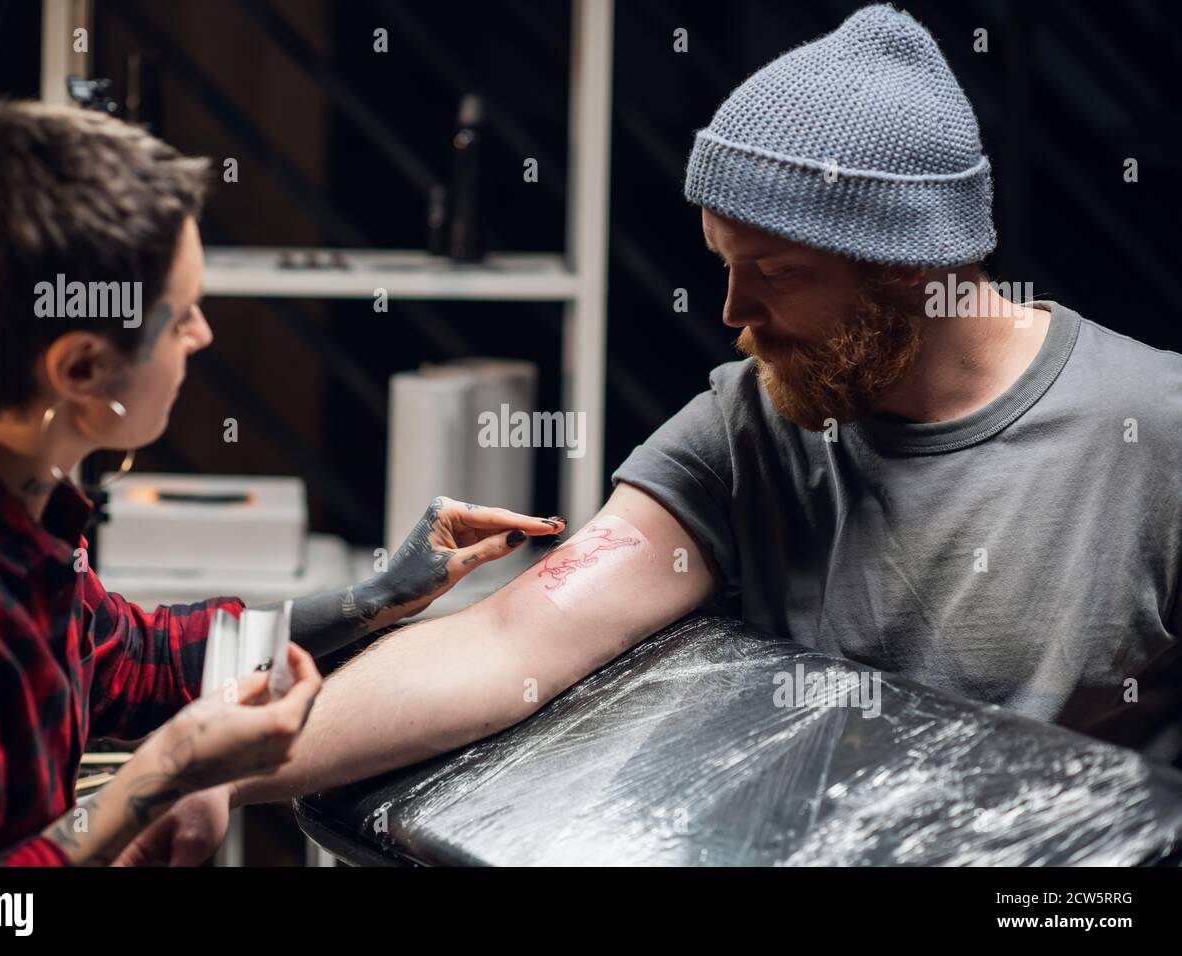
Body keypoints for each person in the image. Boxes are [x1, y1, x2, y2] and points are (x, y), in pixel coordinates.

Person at [128, 4, 1182, 864]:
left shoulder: (1158, 433)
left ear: (912, 263)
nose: (730, 310)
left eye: (769, 270)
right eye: (721, 261)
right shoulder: (750, 422)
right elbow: (514, 641)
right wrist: (202, 766)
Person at [0, 101, 564, 865]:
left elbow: (128, 658)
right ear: (80, 367)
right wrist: (157, 777)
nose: (203, 335)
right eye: (181, 319)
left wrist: (370, 600)